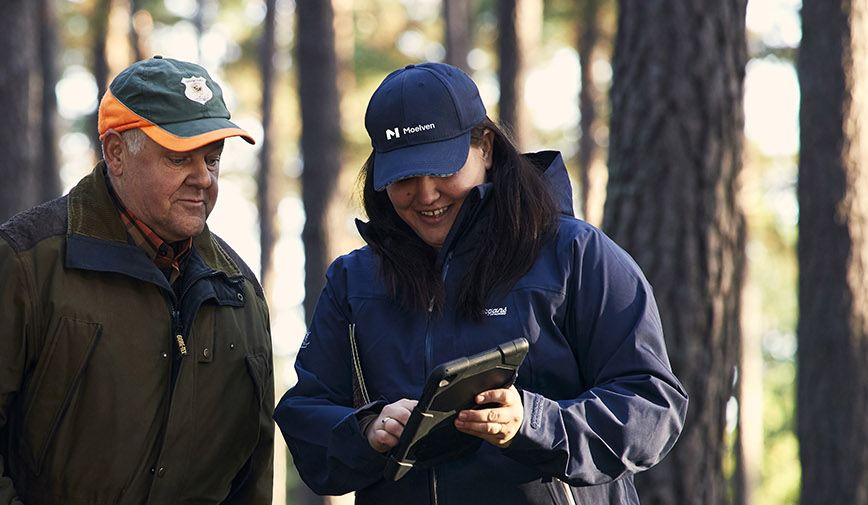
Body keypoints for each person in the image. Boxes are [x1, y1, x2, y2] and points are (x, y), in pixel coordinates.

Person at [274, 62, 688, 504]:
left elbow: (653, 407)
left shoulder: (578, 255)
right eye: (404, 178)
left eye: (441, 168)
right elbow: (306, 421)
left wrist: (530, 422)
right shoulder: (351, 281)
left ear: (486, 148)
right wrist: (367, 429)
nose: (427, 194)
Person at [0, 56, 274, 504]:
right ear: (116, 152)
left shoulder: (240, 292)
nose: (203, 179)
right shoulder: (21, 262)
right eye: (179, 158)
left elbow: (252, 468)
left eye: (213, 160)